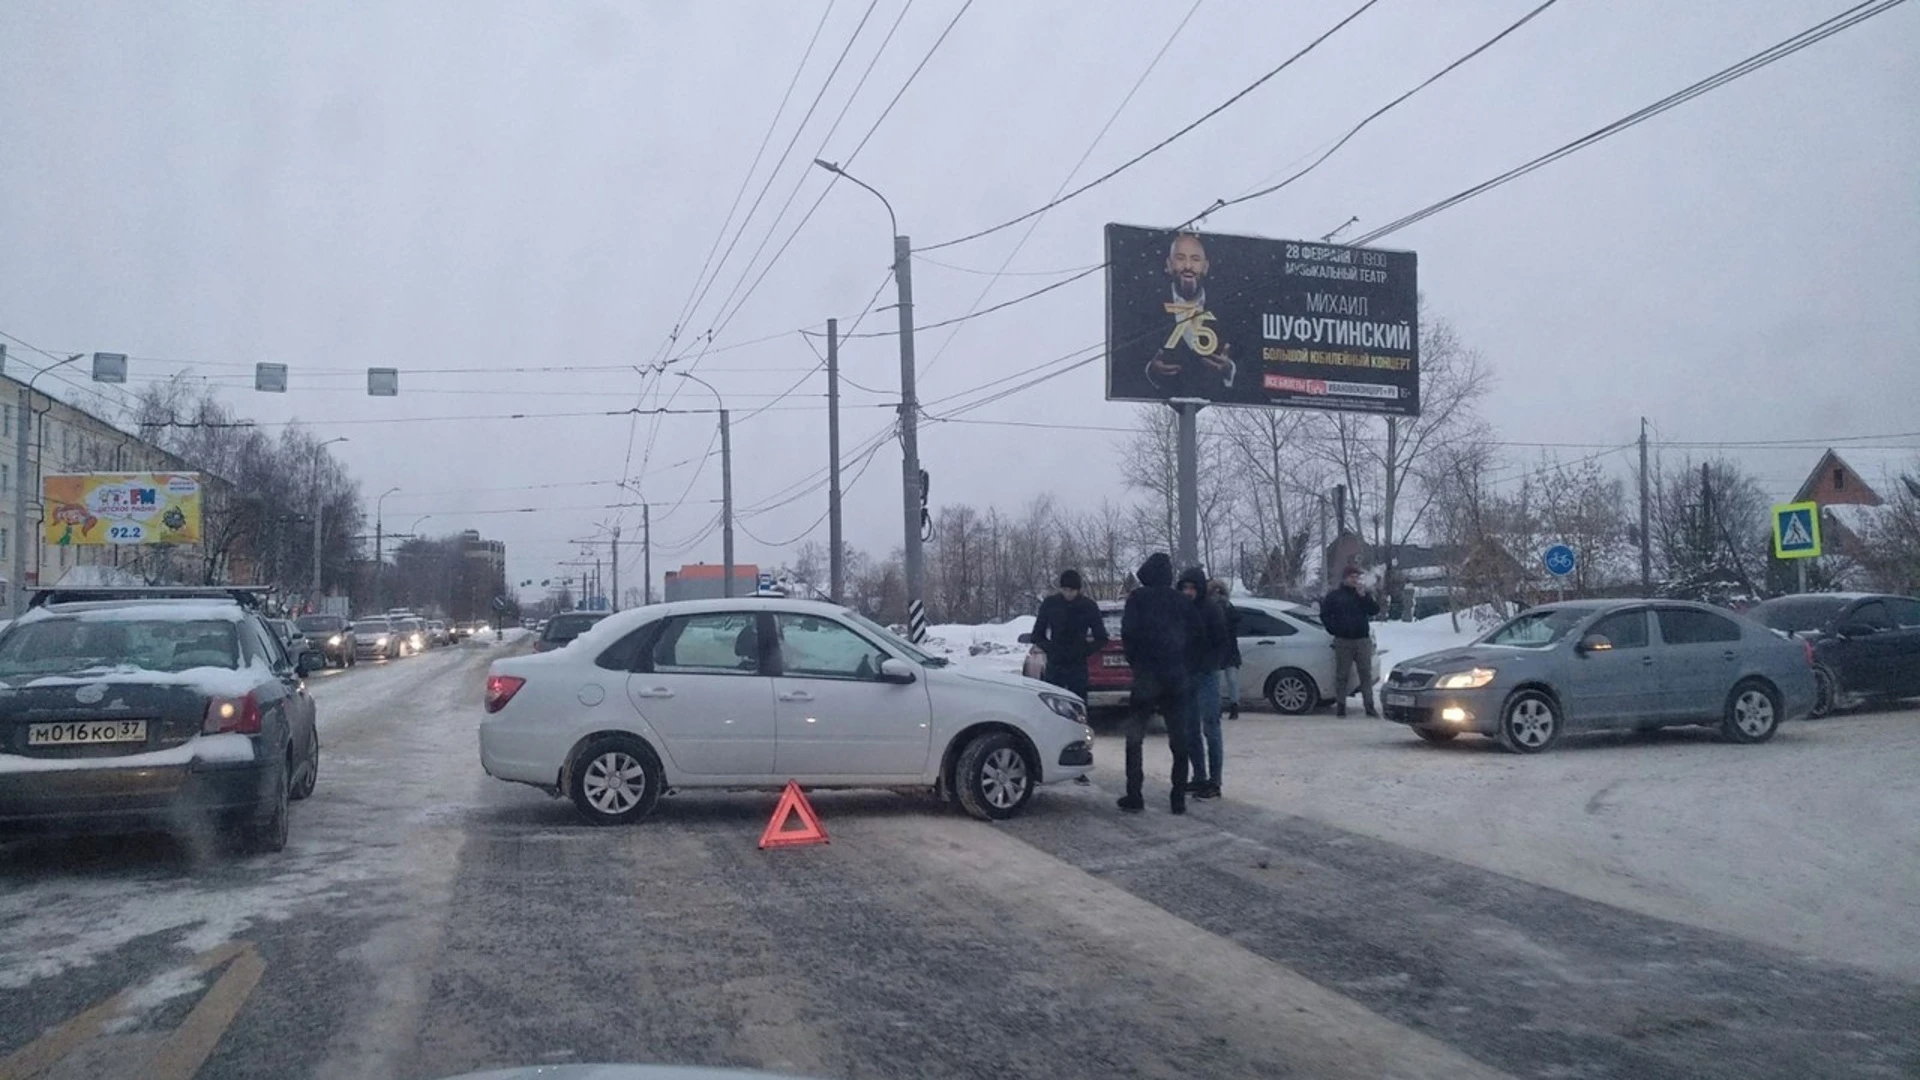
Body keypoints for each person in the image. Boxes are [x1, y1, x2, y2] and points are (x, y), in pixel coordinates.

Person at [1118, 552, 1197, 814]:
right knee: (1179, 739)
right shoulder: (1181, 601)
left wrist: (1137, 663)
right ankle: (1178, 798)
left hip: (1146, 676)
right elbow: (1194, 635)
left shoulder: (1138, 599)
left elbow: (1127, 634)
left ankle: (1134, 794)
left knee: (1134, 737)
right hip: (1176, 676)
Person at [1143, 233, 1236, 399]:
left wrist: (1229, 369)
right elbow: (1126, 363)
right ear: (1169, 264)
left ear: (1205, 266)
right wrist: (1151, 370)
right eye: (1180, 258)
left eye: (1195, 259)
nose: (1188, 266)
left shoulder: (1228, 306)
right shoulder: (1147, 305)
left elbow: (1254, 364)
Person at [1177, 567, 1229, 800]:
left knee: (1211, 728)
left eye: (1192, 588)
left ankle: (1214, 781)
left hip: (1206, 673)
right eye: (1184, 588)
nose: (1188, 592)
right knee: (1190, 730)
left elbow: (1221, 642)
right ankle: (1199, 776)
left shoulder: (1211, 610)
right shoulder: (1179, 610)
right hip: (1186, 674)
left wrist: (1209, 663)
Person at [1028, 569, 1107, 701]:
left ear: (1078, 590)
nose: (1068, 594)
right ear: (1061, 589)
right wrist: (1051, 649)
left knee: (1078, 702)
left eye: (1072, 590)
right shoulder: (1050, 604)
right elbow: (1037, 634)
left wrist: (1084, 650)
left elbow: (1101, 637)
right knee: (1053, 703)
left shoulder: (1088, 606)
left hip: (1077, 665)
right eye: (1065, 589)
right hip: (1055, 665)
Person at [1320, 565, 1381, 718]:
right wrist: (1334, 629)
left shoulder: (1362, 594)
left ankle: (1369, 706)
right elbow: (1325, 615)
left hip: (1362, 640)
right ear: (1345, 578)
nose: (1355, 580)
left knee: (1365, 675)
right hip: (1343, 640)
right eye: (1352, 577)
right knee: (1342, 675)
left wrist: (1364, 597)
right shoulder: (1335, 596)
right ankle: (1341, 706)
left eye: (1357, 577)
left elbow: (1374, 610)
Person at [1210, 578, 1243, 719]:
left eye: (1220, 593)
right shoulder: (1211, 609)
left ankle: (1233, 706)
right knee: (1221, 680)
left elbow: (1236, 621)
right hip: (1219, 649)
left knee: (1229, 679)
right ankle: (1222, 707)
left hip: (1227, 649)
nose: (1218, 596)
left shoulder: (1229, 608)